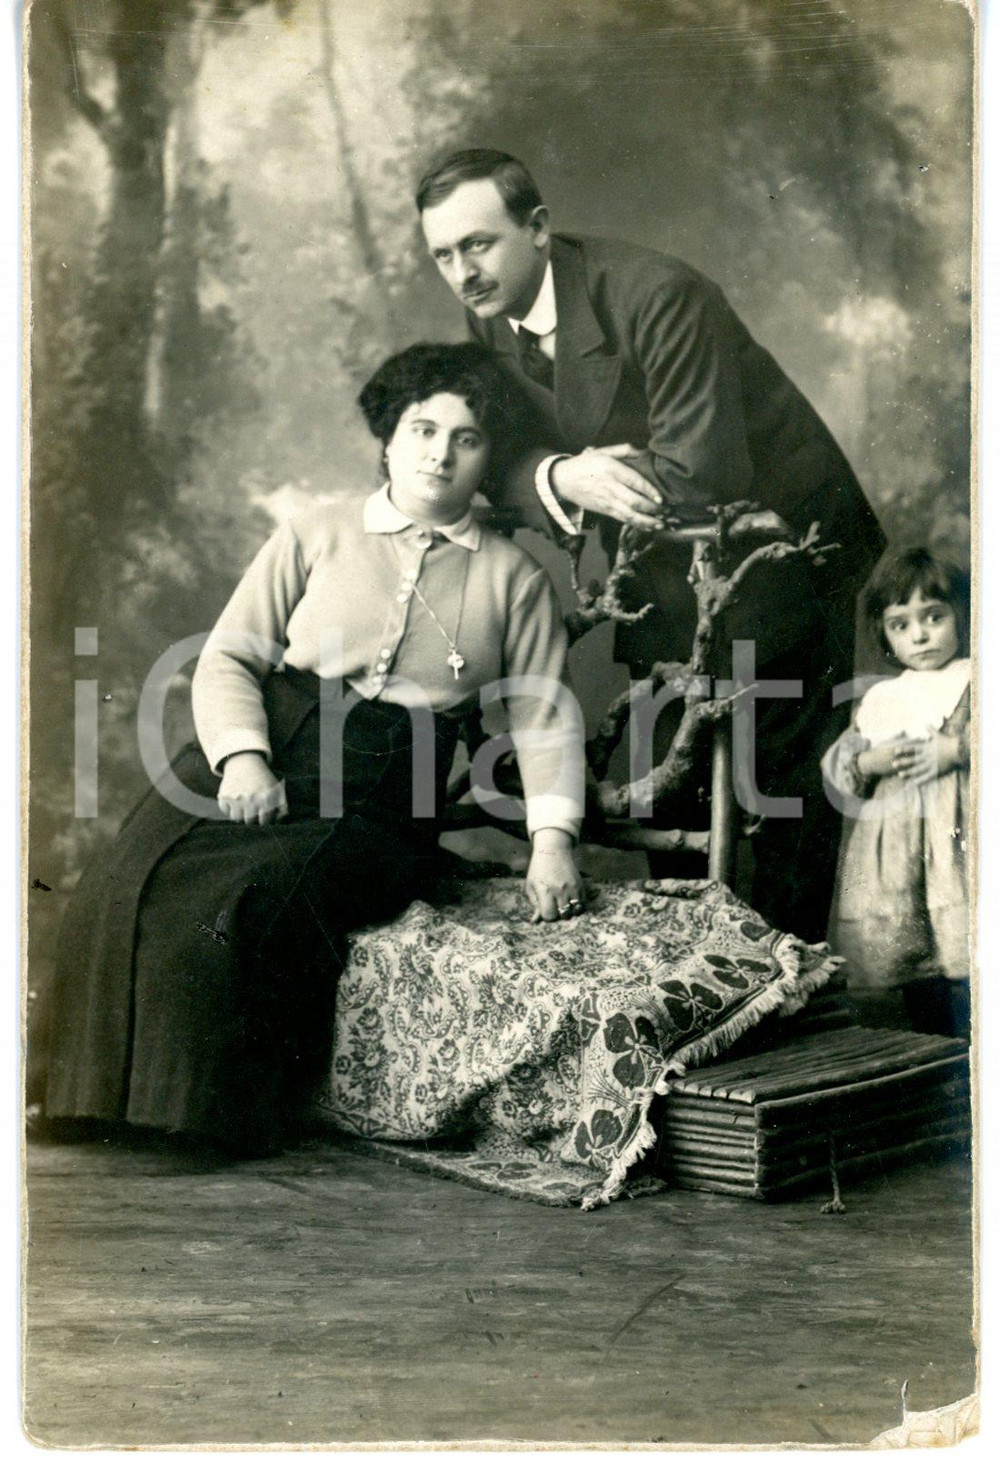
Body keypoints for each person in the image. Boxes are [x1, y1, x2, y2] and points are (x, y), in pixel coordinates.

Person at [40, 342, 586, 1155]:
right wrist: (243, 758)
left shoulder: (516, 580)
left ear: (489, 454)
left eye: (465, 438)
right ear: (389, 439)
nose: (440, 453)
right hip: (261, 744)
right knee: (125, 879)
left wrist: (553, 843)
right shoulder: (318, 532)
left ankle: (189, 1116)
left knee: (243, 904)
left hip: (382, 789)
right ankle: (79, 1098)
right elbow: (229, 656)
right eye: (422, 428)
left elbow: (544, 717)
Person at [415, 147, 887, 941]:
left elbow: (701, 474)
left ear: (537, 227)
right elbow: (501, 452)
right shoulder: (491, 311)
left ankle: (776, 1005)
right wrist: (564, 474)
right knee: (675, 785)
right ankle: (700, 990)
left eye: (479, 244)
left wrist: (595, 479)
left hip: (782, 550)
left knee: (770, 802)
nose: (463, 271)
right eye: (443, 254)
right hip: (665, 565)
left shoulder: (657, 294)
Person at [821, 548, 971, 1037]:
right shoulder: (884, 698)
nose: (920, 635)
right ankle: (932, 1056)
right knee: (911, 960)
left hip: (961, 842)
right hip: (896, 854)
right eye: (900, 625)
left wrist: (957, 751)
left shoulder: (977, 680)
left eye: (934, 617)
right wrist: (870, 761)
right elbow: (838, 769)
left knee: (966, 953)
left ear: (962, 614)